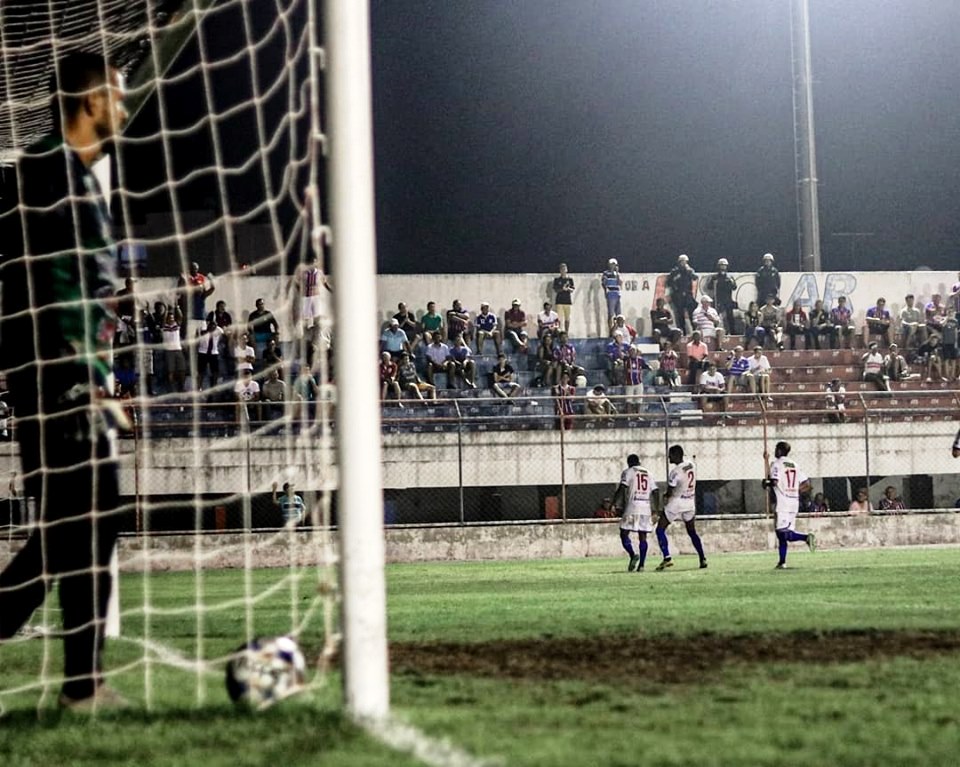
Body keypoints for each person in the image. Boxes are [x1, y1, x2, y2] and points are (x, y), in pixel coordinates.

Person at [0, 51, 129, 711]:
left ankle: (84, 683)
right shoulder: (48, 171)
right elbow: (50, 283)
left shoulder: (71, 175)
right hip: (57, 378)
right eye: (119, 97)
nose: (126, 109)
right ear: (92, 102)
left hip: (70, 374)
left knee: (75, 522)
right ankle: (83, 686)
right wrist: (81, 376)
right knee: (90, 513)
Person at [763, 441, 816, 569]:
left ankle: (806, 538)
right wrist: (796, 490)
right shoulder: (794, 464)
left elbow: (774, 481)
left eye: (776, 449)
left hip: (783, 502)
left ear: (780, 451)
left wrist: (766, 483)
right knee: (785, 532)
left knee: (782, 533)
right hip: (794, 501)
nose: (775, 451)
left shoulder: (777, 463)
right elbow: (808, 484)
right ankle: (782, 562)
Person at [654, 445, 707, 570]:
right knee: (692, 532)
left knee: (660, 529)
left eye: (670, 455)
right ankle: (702, 558)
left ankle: (667, 558)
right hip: (689, 502)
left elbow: (671, 491)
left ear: (677, 455)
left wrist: (665, 496)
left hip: (676, 503)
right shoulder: (692, 465)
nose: (668, 457)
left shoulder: (675, 472)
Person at [612, 454, 658, 572]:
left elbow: (622, 488)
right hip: (646, 508)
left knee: (624, 533)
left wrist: (614, 503)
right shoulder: (649, 473)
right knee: (643, 536)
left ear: (629, 463)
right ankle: (642, 565)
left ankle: (633, 555)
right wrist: (655, 510)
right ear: (639, 462)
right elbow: (656, 491)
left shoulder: (628, 472)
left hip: (632, 507)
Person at [178, 260, 216, 341]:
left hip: (201, 319)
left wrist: (211, 279)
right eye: (192, 268)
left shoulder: (202, 296)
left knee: (203, 340)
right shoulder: (188, 296)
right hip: (191, 319)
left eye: (196, 268)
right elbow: (179, 291)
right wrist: (182, 279)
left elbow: (212, 289)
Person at [667, 254, 697, 333]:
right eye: (682, 262)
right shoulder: (675, 271)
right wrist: (676, 278)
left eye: (685, 262)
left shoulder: (689, 270)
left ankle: (695, 330)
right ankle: (682, 332)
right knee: (680, 315)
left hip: (688, 295)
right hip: (678, 296)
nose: (683, 263)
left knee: (692, 314)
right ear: (679, 262)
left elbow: (695, 277)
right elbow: (669, 282)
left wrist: (689, 270)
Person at [248, 298, 279, 369]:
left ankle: (275, 352)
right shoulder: (253, 315)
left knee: (276, 336)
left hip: (267, 334)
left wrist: (277, 331)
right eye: (259, 304)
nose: (261, 306)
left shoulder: (268, 313)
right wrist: (252, 331)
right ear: (256, 305)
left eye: (262, 304)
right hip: (258, 334)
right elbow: (249, 326)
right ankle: (255, 355)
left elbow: (275, 324)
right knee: (251, 336)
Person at [709, 258, 738, 333]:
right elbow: (709, 287)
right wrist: (714, 282)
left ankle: (732, 332)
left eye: (724, 265)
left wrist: (731, 282)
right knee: (716, 316)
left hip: (728, 299)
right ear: (718, 266)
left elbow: (734, 287)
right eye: (721, 265)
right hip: (718, 299)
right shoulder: (715, 277)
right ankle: (714, 331)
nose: (722, 267)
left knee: (730, 317)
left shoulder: (729, 277)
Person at [623, 345, 649, 414]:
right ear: (629, 352)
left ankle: (638, 415)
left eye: (634, 350)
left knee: (639, 400)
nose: (632, 352)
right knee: (629, 401)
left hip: (639, 382)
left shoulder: (640, 360)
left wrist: (649, 367)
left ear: (636, 352)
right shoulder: (627, 360)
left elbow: (645, 365)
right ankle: (628, 416)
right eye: (631, 351)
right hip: (629, 383)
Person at [552, 263, 575, 333]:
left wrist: (568, 289)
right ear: (560, 270)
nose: (563, 270)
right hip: (559, 301)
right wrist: (563, 289)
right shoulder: (557, 280)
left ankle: (566, 332)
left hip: (567, 301)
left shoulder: (570, 279)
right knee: (559, 319)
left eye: (564, 269)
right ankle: (559, 332)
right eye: (562, 269)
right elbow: (556, 290)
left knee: (567, 318)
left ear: (566, 270)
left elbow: (572, 289)